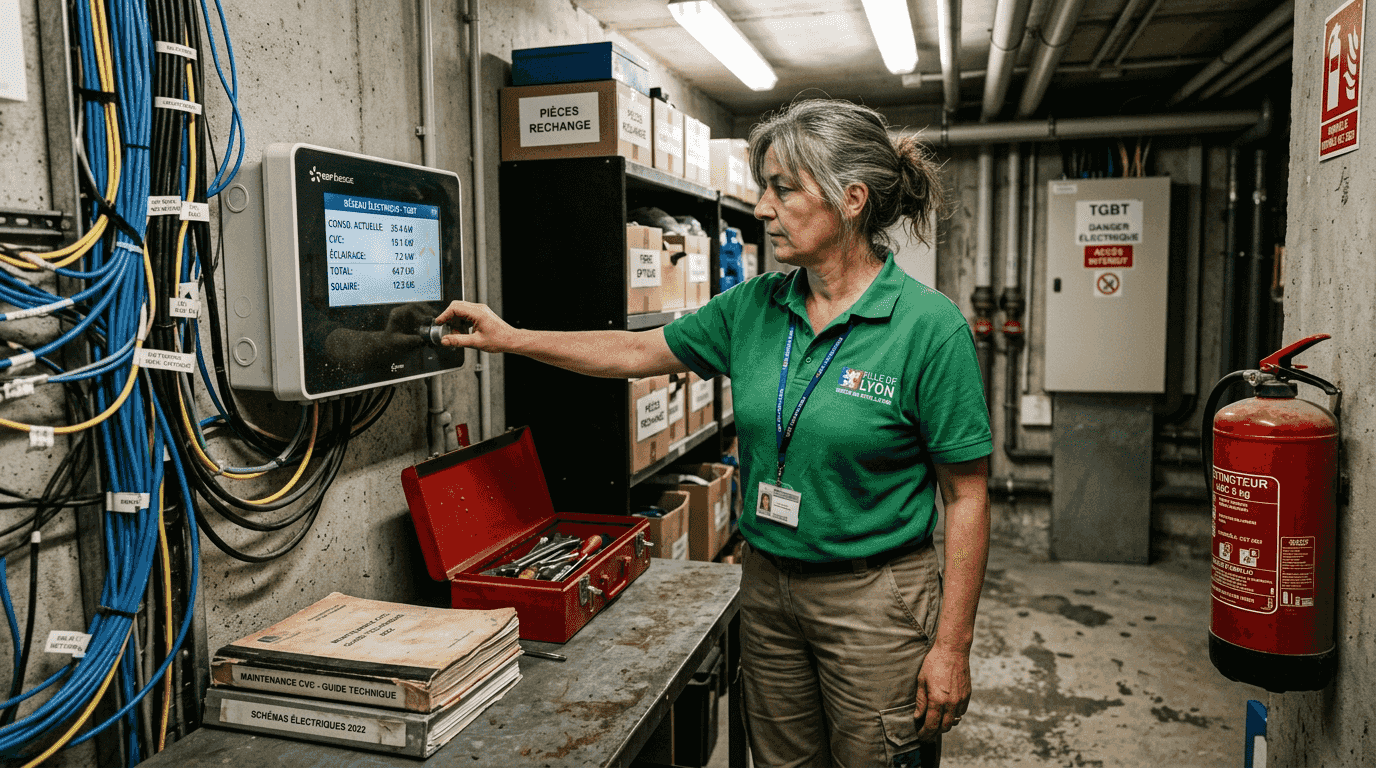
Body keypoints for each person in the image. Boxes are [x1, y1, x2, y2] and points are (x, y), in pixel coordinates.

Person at [435, 98, 991, 768]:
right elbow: (635, 353)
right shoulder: (756, 305)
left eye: (783, 189)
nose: (761, 207)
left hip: (874, 598)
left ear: (851, 199)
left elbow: (966, 499)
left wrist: (952, 646)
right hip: (765, 586)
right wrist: (512, 338)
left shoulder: (929, 328)